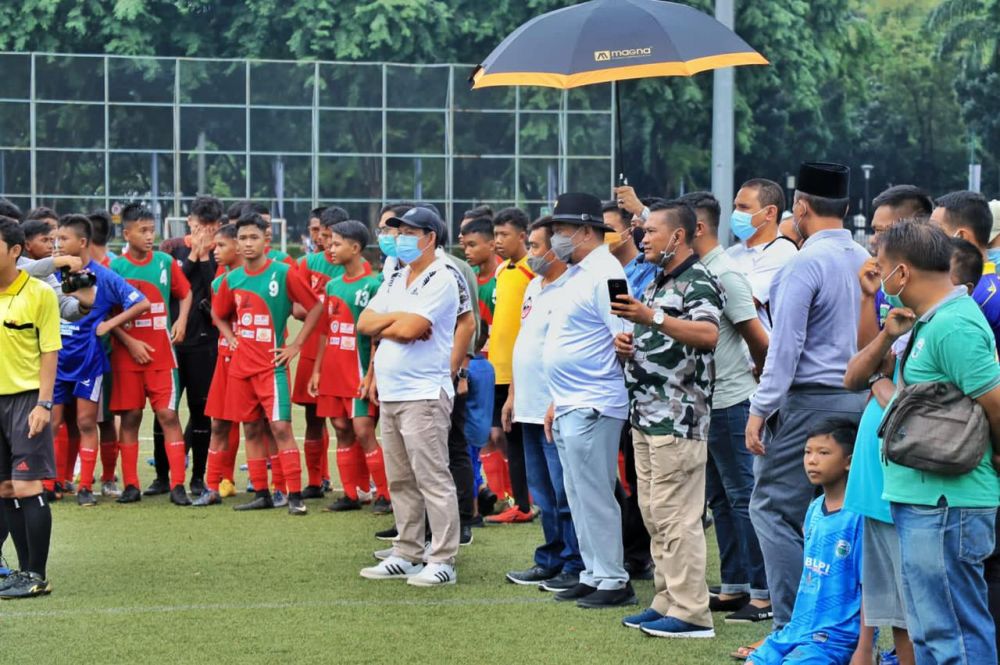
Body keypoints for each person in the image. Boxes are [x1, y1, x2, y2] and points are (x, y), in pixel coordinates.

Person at [745, 162, 869, 631]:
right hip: (861, 400)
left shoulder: (804, 263)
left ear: (799, 207)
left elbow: (785, 348)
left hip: (810, 403)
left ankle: (796, 628)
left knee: (773, 509)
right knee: (845, 516)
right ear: (848, 206)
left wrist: (760, 409)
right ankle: (840, 628)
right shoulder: (865, 258)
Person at [874, 220, 1000, 664]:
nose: (878, 276)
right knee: (930, 633)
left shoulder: (954, 327)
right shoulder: (934, 322)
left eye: (882, 266)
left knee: (954, 636)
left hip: (949, 503)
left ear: (902, 274)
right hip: (925, 501)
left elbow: (997, 403)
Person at [612, 199, 722, 636]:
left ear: (678, 236)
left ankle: (693, 612)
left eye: (652, 231)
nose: (643, 237)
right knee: (655, 514)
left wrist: (650, 317)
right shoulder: (658, 280)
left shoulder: (699, 281)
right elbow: (660, 336)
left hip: (679, 419)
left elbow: (708, 334)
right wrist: (632, 341)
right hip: (647, 414)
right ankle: (667, 600)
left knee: (678, 516)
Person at [357, 206, 461, 587]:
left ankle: (443, 558)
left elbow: (413, 327)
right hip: (393, 392)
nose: (398, 239)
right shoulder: (397, 277)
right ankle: (407, 551)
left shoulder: (442, 277)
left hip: (424, 394)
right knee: (400, 478)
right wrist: (395, 323)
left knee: (432, 476)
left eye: (407, 233)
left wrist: (396, 323)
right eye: (397, 232)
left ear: (430, 237)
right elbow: (365, 322)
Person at [540, 192, 634, 609]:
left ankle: (613, 578)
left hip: (594, 400)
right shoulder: (580, 271)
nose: (556, 238)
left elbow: (623, 334)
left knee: (594, 491)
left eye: (560, 230)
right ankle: (594, 572)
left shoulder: (607, 273)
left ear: (583, 231)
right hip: (571, 400)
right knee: (578, 492)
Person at [683, 191, 772, 624]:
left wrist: (761, 383)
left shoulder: (726, 274)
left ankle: (763, 591)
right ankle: (735, 584)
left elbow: (759, 339)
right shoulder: (697, 271)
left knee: (743, 498)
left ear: (695, 228)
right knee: (720, 499)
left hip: (733, 401)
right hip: (705, 403)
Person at [212, 213, 324, 516]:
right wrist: (230, 337)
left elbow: (315, 307)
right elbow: (218, 314)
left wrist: (296, 344)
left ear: (266, 240)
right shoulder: (230, 279)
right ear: (236, 243)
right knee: (251, 429)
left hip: (271, 366)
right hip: (240, 367)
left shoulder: (283, 273)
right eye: (243, 238)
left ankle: (294, 495)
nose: (248, 244)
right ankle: (260, 491)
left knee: (280, 427)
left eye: (254, 238)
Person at [502, 220, 583, 591]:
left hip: (555, 406)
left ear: (556, 249)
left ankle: (575, 562)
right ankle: (550, 558)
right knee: (544, 493)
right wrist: (513, 396)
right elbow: (525, 342)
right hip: (528, 405)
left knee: (564, 491)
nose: (530, 254)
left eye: (535, 246)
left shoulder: (573, 287)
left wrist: (556, 398)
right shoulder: (534, 285)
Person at [49, 215, 149, 508]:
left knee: (85, 422)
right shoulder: (51, 274)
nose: (58, 244)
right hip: (55, 360)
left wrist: (107, 324)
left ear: (82, 243)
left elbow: (140, 302)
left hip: (88, 363)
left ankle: (84, 487)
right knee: (51, 421)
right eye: (56, 239)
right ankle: (50, 482)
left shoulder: (103, 276)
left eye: (63, 239)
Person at [747, 419, 862, 665]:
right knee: (754, 661)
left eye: (823, 453)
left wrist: (863, 648)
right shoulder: (813, 510)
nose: (812, 460)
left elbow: (871, 588)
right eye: (807, 452)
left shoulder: (858, 517)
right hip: (797, 629)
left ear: (849, 462)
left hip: (835, 637)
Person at [109, 205, 194, 506]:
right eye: (142, 230)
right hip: (126, 357)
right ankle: (131, 485)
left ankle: (178, 485)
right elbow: (107, 316)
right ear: (126, 232)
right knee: (130, 418)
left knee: (169, 415)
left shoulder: (165, 262)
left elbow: (185, 293)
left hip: (161, 356)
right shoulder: (116, 268)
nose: (149, 236)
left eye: (151, 230)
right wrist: (130, 342)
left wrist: (181, 319)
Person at [308, 220, 390, 514]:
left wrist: (372, 373)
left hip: (359, 371)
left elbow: (379, 336)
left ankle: (384, 494)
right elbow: (326, 332)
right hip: (333, 370)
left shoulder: (374, 284)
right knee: (341, 428)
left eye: (336, 243)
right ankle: (352, 494)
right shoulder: (332, 285)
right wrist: (317, 370)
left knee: (364, 430)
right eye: (329, 243)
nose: (330, 248)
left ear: (355, 249)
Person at [0, 219, 60, 599]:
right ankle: (22, 572)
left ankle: (37, 573)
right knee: (5, 488)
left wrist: (43, 403)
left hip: (26, 400)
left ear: (14, 251)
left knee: (26, 485)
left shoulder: (39, 293)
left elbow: (50, 351)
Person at [147, 197, 222, 496]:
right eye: (198, 224)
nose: (203, 230)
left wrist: (204, 258)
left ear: (217, 226)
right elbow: (176, 287)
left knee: (201, 410)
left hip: (204, 342)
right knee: (164, 410)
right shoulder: (171, 249)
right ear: (189, 222)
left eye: (210, 226)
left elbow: (215, 289)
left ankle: (197, 478)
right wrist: (192, 255)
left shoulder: (223, 250)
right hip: (171, 343)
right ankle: (162, 477)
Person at [602, 200, 655, 581]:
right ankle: (623, 548)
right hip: (607, 384)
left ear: (628, 229)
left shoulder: (647, 270)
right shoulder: (594, 272)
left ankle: (638, 553)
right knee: (613, 473)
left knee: (639, 476)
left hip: (640, 384)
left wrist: (642, 209)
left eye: (607, 227)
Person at [295, 206, 349, 500]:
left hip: (342, 353)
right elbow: (296, 308)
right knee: (313, 418)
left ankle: (357, 486)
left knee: (346, 422)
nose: (327, 243)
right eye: (323, 235)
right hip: (312, 350)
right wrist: (323, 312)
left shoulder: (353, 267)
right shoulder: (307, 264)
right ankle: (315, 481)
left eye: (332, 237)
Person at [485, 208, 535, 524]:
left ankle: (525, 504)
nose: (498, 241)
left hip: (520, 372)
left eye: (505, 235)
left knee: (518, 439)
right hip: (497, 369)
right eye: (496, 235)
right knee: (503, 436)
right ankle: (518, 500)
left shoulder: (534, 271)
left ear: (522, 236)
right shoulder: (502, 270)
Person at [194, 223, 243, 506]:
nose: (215, 251)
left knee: (263, 426)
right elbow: (218, 318)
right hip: (224, 359)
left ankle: (279, 487)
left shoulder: (258, 276)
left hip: (252, 360)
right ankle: (212, 485)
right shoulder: (217, 280)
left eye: (221, 245)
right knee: (219, 424)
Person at [857, 185, 934, 350]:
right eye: (874, 230)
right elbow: (867, 355)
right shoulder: (881, 284)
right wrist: (867, 297)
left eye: (881, 231)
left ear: (911, 229)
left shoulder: (935, 289)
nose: (872, 240)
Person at [929, 190, 1000, 349]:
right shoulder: (946, 287)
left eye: (935, 231)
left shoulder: (988, 297)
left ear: (960, 236)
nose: (929, 239)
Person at [725, 178, 796, 330]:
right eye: (735, 207)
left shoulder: (782, 251)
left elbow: (744, 305)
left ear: (770, 212)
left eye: (743, 208)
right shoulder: (732, 253)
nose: (736, 214)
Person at [459, 217, 498, 332]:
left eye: (472, 245)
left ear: (491, 245)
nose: (466, 251)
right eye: (465, 246)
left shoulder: (504, 275)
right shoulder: (463, 273)